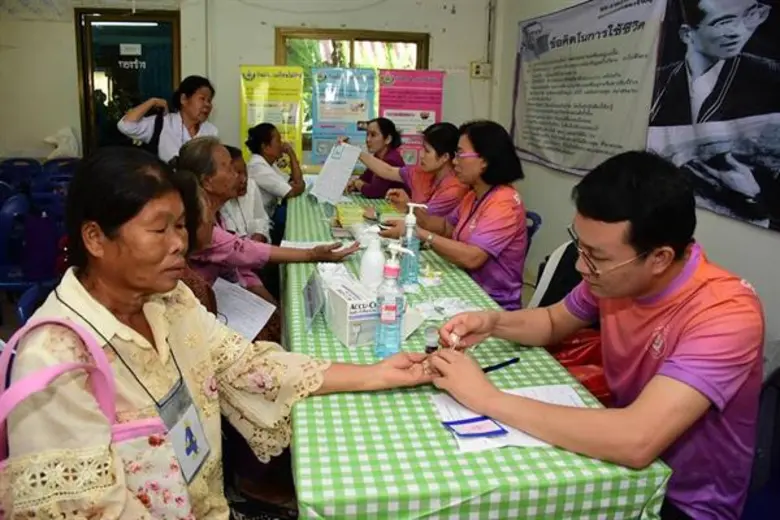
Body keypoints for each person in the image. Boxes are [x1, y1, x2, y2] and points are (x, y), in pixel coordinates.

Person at [6, 146, 434, 519]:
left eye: (180, 226)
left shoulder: (171, 302)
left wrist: (381, 373)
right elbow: (91, 508)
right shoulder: (55, 362)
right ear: (96, 238)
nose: (179, 243)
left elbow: (248, 366)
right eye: (160, 229)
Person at [433, 151, 765, 520]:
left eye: (596, 257)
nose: (580, 266)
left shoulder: (726, 314)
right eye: (581, 247)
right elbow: (552, 323)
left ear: (658, 258)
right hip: (615, 459)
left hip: (681, 499)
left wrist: (486, 398)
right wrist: (492, 322)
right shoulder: (614, 277)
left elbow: (637, 439)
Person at [174, 137, 357, 305]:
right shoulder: (199, 226)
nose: (238, 176)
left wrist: (268, 302)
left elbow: (237, 265)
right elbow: (243, 251)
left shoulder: (215, 215)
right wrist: (312, 254)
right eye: (229, 169)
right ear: (207, 182)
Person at [381, 120, 527, 310]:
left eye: (460, 154)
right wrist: (410, 211)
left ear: (484, 160)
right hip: (466, 287)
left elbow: (472, 257)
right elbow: (445, 228)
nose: (455, 161)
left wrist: (418, 233)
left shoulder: (504, 203)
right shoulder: (474, 195)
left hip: (492, 303)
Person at [650, 0, 780, 126]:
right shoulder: (656, 82)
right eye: (724, 23)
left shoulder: (769, 74)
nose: (739, 32)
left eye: (751, 16)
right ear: (687, 34)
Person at [350, 122, 469, 218]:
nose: (421, 155)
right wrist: (355, 152)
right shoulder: (422, 172)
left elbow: (425, 218)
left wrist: (406, 206)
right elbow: (388, 171)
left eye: (427, 151)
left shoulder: (455, 189)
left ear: (445, 157)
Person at [117, 75, 218, 162]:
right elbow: (125, 126)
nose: (207, 105)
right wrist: (152, 102)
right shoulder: (164, 123)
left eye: (209, 100)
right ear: (183, 99)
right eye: (202, 99)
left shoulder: (211, 131)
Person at [245, 123, 305, 243]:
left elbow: (295, 181)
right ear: (265, 147)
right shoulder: (257, 167)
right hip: (262, 224)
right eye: (278, 141)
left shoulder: (268, 164)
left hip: (271, 215)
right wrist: (299, 186)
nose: (282, 145)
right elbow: (292, 191)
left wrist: (292, 155)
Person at [346, 117, 407, 199]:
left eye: (373, 135)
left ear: (388, 139)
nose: (368, 139)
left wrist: (357, 183)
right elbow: (364, 179)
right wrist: (354, 184)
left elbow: (374, 192)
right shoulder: (377, 156)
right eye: (367, 134)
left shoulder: (391, 159)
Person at [221, 145, 271, 243]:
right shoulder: (218, 202)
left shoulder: (251, 185)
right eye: (237, 173)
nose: (244, 180)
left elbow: (262, 218)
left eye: (245, 171)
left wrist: (260, 234)